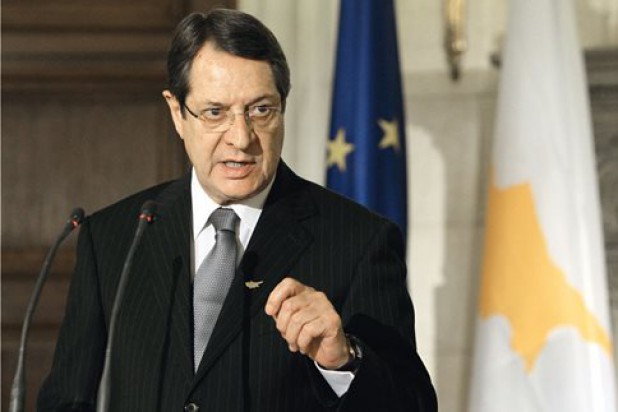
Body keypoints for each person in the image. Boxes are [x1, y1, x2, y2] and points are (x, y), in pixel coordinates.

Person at [38, 8, 437, 412]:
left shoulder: (359, 241)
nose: (242, 138)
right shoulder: (113, 238)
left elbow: (413, 404)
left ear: (283, 107)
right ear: (177, 113)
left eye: (261, 110)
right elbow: (66, 401)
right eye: (215, 112)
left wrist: (343, 360)